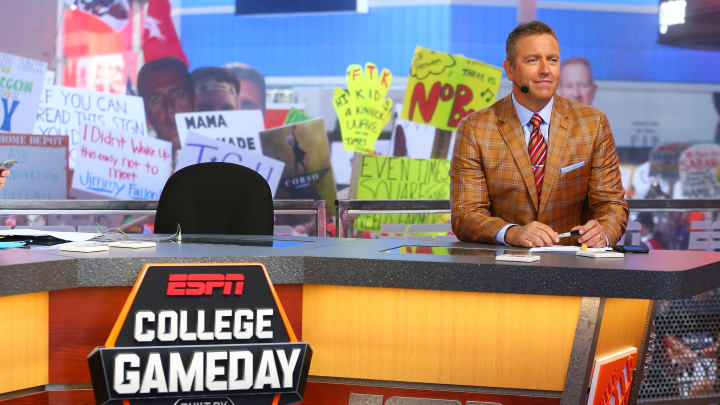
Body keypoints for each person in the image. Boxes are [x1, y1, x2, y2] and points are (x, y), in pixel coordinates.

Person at [450, 21, 628, 248]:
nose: (545, 69)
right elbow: (465, 214)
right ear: (510, 69)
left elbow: (612, 204)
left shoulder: (592, 124)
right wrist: (511, 233)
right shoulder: (476, 128)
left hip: (574, 267)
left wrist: (602, 234)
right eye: (533, 60)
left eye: (552, 60)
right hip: (504, 269)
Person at [137, 57, 196, 155]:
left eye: (178, 94)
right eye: (156, 99)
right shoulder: (133, 165)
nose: (169, 107)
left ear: (195, 100)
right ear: (145, 112)